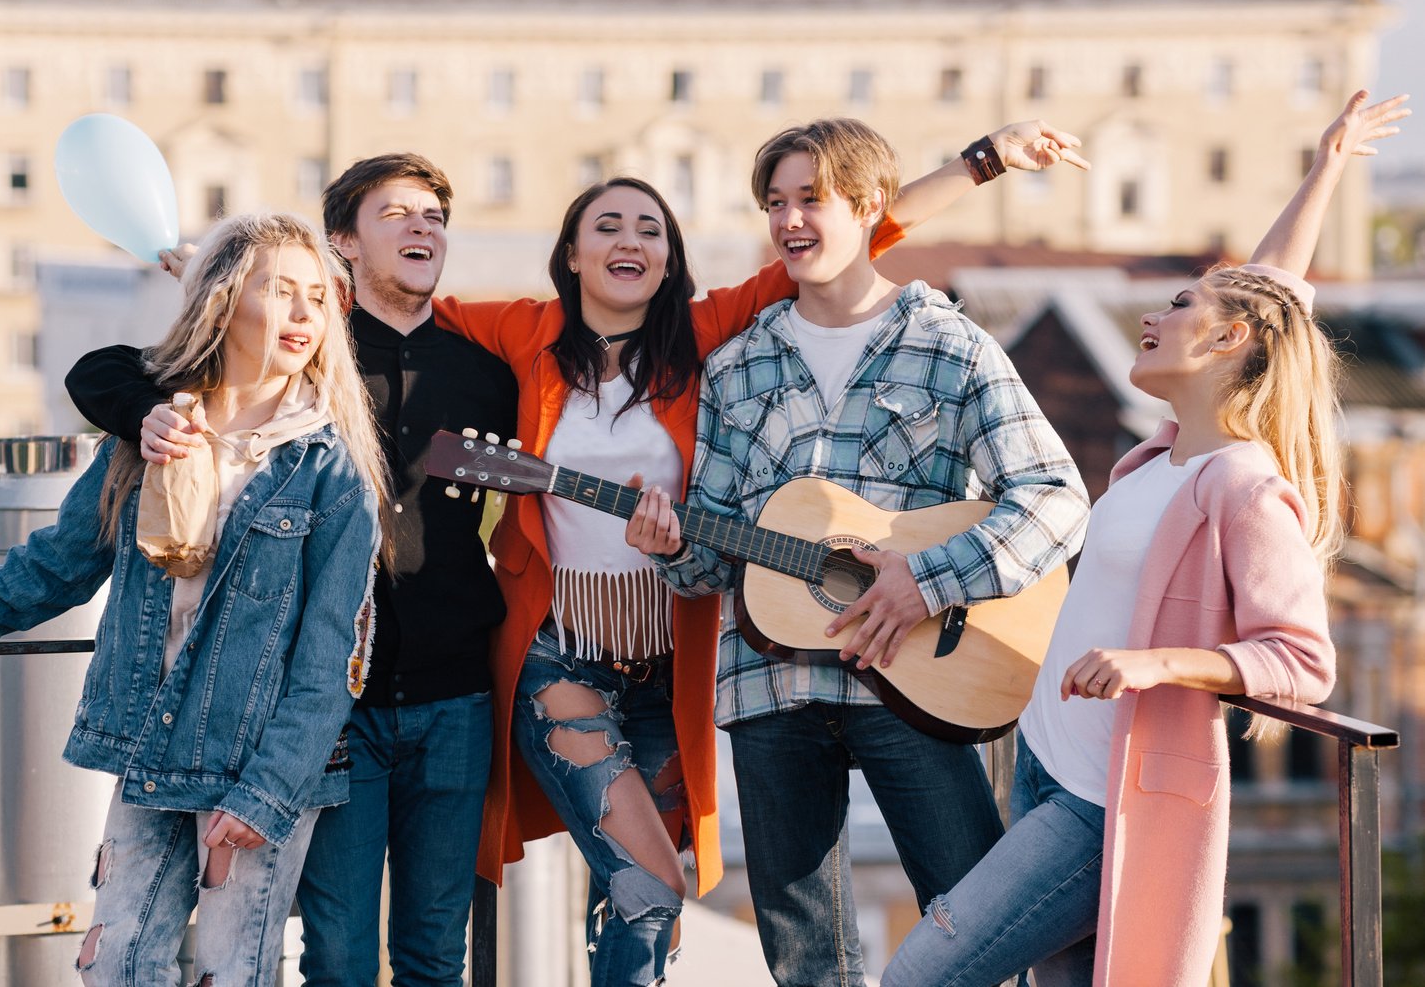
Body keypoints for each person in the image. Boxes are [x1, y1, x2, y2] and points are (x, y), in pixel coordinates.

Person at [433, 119, 1087, 987]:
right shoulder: (738, 362)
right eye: (776, 203)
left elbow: (1056, 496)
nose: (790, 220)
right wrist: (671, 547)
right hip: (771, 688)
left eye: (810, 199)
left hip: (926, 680)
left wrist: (926, 579)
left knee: (972, 935)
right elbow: (713, 558)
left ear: (868, 208)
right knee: (807, 962)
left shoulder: (949, 343)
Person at [876, 88, 1410, 987]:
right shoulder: (1158, 457)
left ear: (1227, 340)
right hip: (1047, 766)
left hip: (1101, 803)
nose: (1153, 317)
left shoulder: (1243, 484)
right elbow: (1273, 295)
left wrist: (1156, 663)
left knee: (920, 973)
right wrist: (1326, 168)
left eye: (1178, 304)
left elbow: (1303, 659)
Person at [0, 212, 389, 984]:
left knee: (230, 974)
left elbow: (330, 656)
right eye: (281, 290)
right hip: (154, 741)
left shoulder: (332, 471)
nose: (306, 315)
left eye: (318, 296)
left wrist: (268, 791)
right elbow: (57, 565)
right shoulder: (154, 433)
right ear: (223, 300)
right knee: (116, 967)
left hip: (256, 771)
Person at [63, 154, 517, 987]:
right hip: (333, 716)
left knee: (433, 953)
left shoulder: (486, 372)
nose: (424, 226)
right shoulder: (311, 362)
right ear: (342, 239)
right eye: (398, 213)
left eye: (436, 215)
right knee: (338, 958)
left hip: (457, 698)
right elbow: (105, 371)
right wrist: (148, 407)